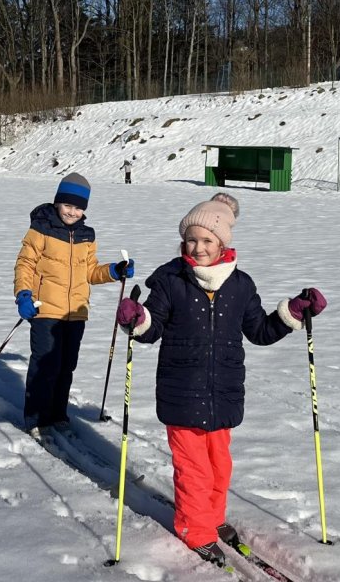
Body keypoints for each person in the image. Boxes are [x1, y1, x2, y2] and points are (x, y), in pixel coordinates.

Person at [114, 192, 327, 567]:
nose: (198, 248)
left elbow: (259, 330)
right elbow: (153, 328)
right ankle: (194, 531)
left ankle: (211, 519)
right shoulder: (170, 281)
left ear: (223, 244)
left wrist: (293, 313)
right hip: (182, 394)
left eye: (207, 241)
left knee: (218, 465)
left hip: (224, 394)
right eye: (191, 240)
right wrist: (138, 319)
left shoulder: (240, 285)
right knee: (193, 469)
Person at [13, 172, 133, 437]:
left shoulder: (86, 235)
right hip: (45, 309)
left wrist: (114, 271)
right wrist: (24, 294)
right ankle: (36, 419)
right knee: (45, 365)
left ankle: (57, 414)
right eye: (68, 205)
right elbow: (25, 264)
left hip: (76, 313)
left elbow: (90, 272)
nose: (72, 212)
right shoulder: (41, 228)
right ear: (58, 202)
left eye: (78, 207)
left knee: (66, 366)